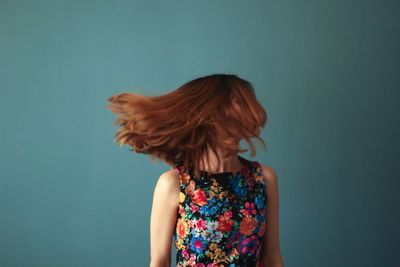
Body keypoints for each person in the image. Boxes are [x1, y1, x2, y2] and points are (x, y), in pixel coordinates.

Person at [107, 73, 284, 267]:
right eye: (239, 101)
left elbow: (272, 258)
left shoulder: (264, 179)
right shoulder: (173, 184)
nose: (253, 109)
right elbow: (159, 262)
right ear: (213, 112)